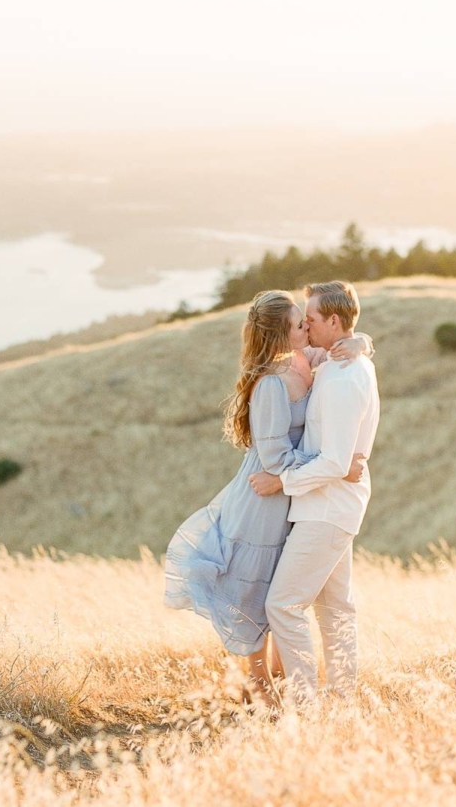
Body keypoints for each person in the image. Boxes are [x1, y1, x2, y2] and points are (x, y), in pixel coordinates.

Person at [164, 289, 372, 703]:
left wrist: (361, 341)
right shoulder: (272, 385)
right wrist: (334, 463)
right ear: (285, 335)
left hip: (295, 495)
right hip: (264, 496)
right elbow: (275, 457)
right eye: (300, 324)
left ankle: (283, 682)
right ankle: (260, 686)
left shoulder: (307, 360)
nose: (306, 326)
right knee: (255, 588)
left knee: (282, 588)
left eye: (308, 320)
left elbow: (342, 348)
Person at [250, 280, 380, 703]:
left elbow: (336, 463)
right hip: (332, 506)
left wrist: (281, 481)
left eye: (311, 318)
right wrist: (361, 341)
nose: (305, 325)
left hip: (326, 510)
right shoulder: (337, 360)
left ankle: (304, 705)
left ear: (334, 321)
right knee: (336, 608)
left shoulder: (343, 376)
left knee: (283, 606)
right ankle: (342, 701)